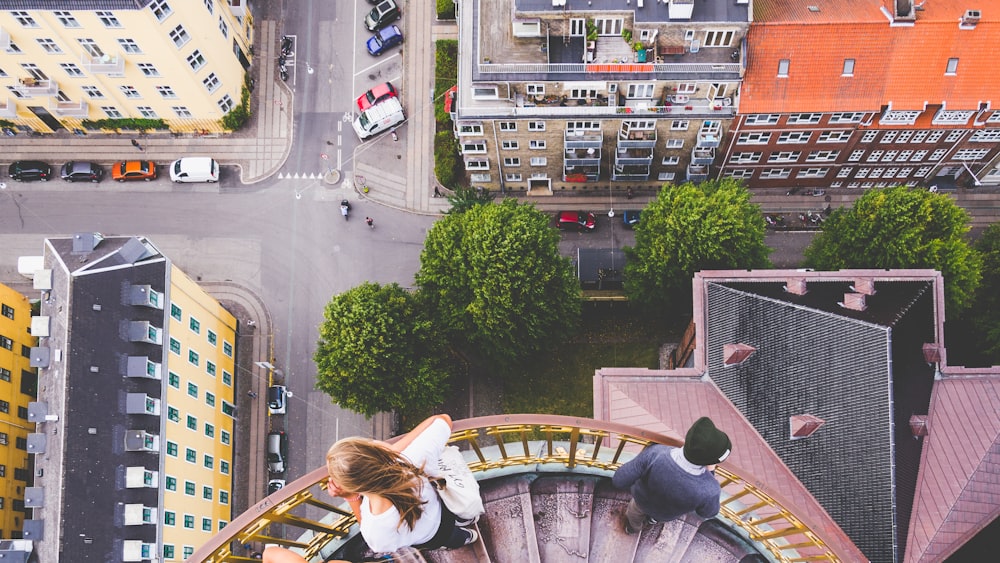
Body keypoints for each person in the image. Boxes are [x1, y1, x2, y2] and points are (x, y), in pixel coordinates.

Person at [613, 416, 731, 534]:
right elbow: (708, 513)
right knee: (657, 518)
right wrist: (710, 473)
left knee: (634, 516)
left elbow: (619, 480)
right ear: (710, 461)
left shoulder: (656, 453)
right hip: (666, 514)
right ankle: (652, 520)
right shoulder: (710, 489)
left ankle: (632, 529)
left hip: (641, 501)